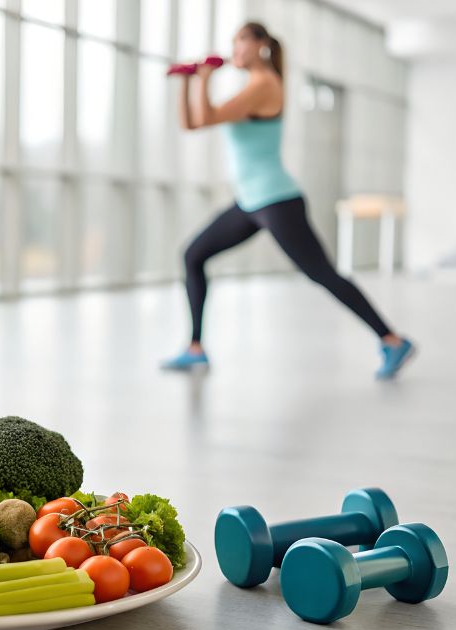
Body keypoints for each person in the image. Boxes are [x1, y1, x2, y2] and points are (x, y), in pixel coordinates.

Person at [162, 21, 415, 380]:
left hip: (277, 200)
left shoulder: (265, 85)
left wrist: (204, 78)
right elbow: (190, 124)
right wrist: (188, 81)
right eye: (233, 43)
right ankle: (195, 348)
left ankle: (392, 340)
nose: (235, 50)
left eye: (241, 43)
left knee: (322, 274)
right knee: (193, 256)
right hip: (250, 202)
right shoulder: (253, 85)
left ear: (262, 45)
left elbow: (206, 118)